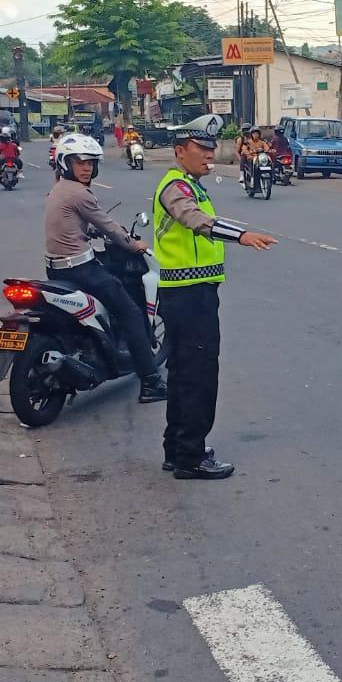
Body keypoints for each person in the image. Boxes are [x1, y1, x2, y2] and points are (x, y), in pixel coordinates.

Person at [154, 122, 276, 479]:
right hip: (189, 297)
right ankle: (191, 457)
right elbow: (196, 221)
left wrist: (240, 230)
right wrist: (242, 236)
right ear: (180, 151)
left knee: (182, 374)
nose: (210, 154)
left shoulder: (190, 185)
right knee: (198, 375)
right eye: (200, 148)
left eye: (211, 148)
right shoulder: (175, 187)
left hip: (190, 293)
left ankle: (177, 450)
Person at [45, 133, 168, 404]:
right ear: (66, 164)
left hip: (55, 269)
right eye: (80, 162)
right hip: (81, 269)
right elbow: (108, 226)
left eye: (90, 162)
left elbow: (73, 224)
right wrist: (132, 244)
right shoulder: (79, 193)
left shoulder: (58, 190)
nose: (87, 167)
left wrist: (86, 231)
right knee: (132, 313)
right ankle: (150, 383)